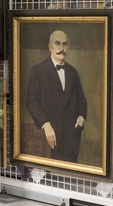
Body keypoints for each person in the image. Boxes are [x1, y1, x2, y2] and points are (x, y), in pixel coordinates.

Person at [26, 30, 87, 163]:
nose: (61, 48)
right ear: (50, 46)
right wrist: (45, 124)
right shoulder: (38, 70)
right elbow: (31, 101)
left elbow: (81, 99)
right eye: (57, 44)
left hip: (71, 141)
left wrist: (82, 116)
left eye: (65, 44)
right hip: (48, 138)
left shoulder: (73, 72)